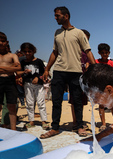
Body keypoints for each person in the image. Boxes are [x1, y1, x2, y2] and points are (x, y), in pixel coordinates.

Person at [40, 6, 95, 139]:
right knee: (56, 100)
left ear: (66, 16)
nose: (55, 18)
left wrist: (95, 68)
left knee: (77, 100)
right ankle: (54, 128)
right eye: (55, 15)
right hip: (59, 70)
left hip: (75, 71)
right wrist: (47, 69)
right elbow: (54, 52)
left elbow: (87, 51)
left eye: (57, 15)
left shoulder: (79, 33)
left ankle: (80, 127)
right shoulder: (57, 33)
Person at [0, 31, 21, 130]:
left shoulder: (13, 56)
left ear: (7, 42)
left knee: (12, 106)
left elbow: (18, 68)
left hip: (10, 81)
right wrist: (10, 68)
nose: (0, 43)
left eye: (3, 41)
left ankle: (14, 130)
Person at [19, 42, 49, 130]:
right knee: (29, 103)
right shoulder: (22, 62)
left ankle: (44, 121)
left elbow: (44, 72)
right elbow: (20, 72)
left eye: (29, 51)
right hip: (27, 84)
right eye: (25, 51)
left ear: (33, 51)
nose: (27, 53)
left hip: (38, 85)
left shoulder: (38, 61)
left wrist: (38, 77)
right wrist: (21, 77)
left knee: (41, 102)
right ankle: (31, 121)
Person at [69, 29, 90, 131]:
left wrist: (88, 66)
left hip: (83, 81)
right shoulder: (72, 52)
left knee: (81, 102)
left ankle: (80, 121)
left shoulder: (87, 54)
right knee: (74, 101)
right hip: (74, 79)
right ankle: (75, 122)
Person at [96, 43, 113, 131]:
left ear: (109, 53)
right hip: (100, 88)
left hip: (109, 88)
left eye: (106, 52)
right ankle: (103, 124)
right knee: (101, 106)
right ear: (99, 53)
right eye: (102, 52)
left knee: (112, 105)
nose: (104, 54)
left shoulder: (111, 63)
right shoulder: (96, 62)